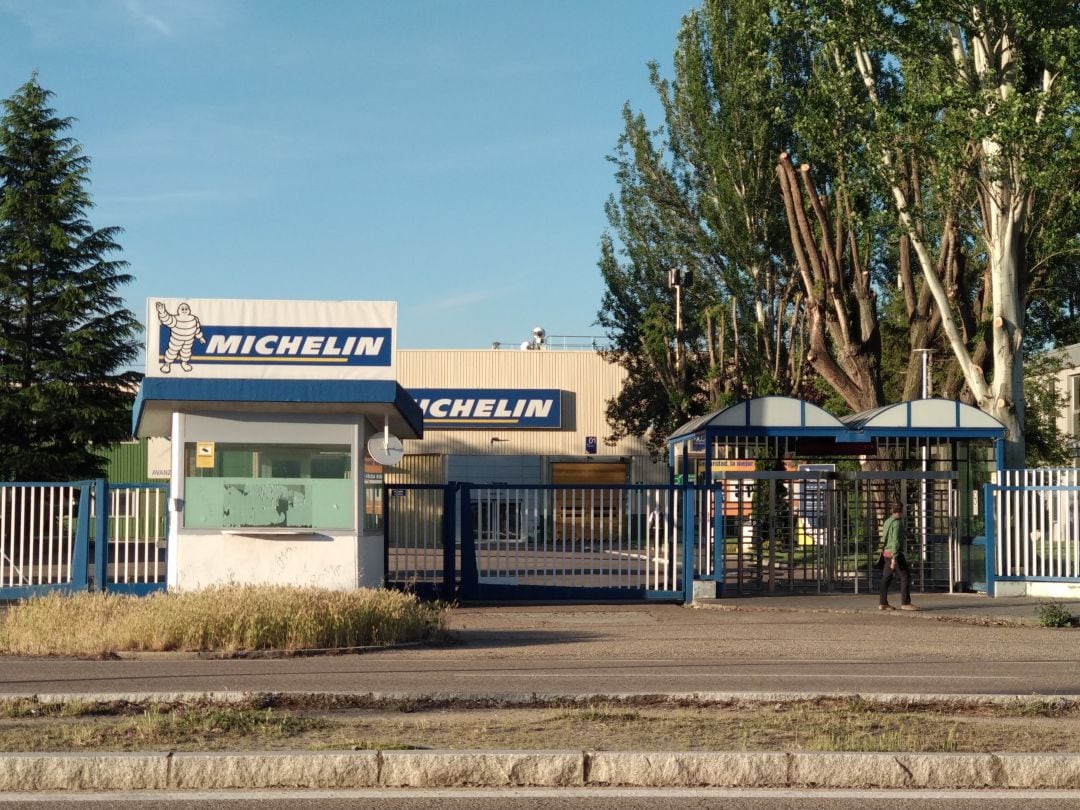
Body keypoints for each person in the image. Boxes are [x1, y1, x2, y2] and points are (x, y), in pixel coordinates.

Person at [879, 502, 920, 611]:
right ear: (901, 511)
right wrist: (894, 558)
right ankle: (905, 603)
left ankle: (883, 603)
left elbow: (885, 538)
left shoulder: (887, 521)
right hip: (894, 553)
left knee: (886, 578)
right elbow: (895, 541)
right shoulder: (897, 523)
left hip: (886, 552)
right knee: (905, 576)